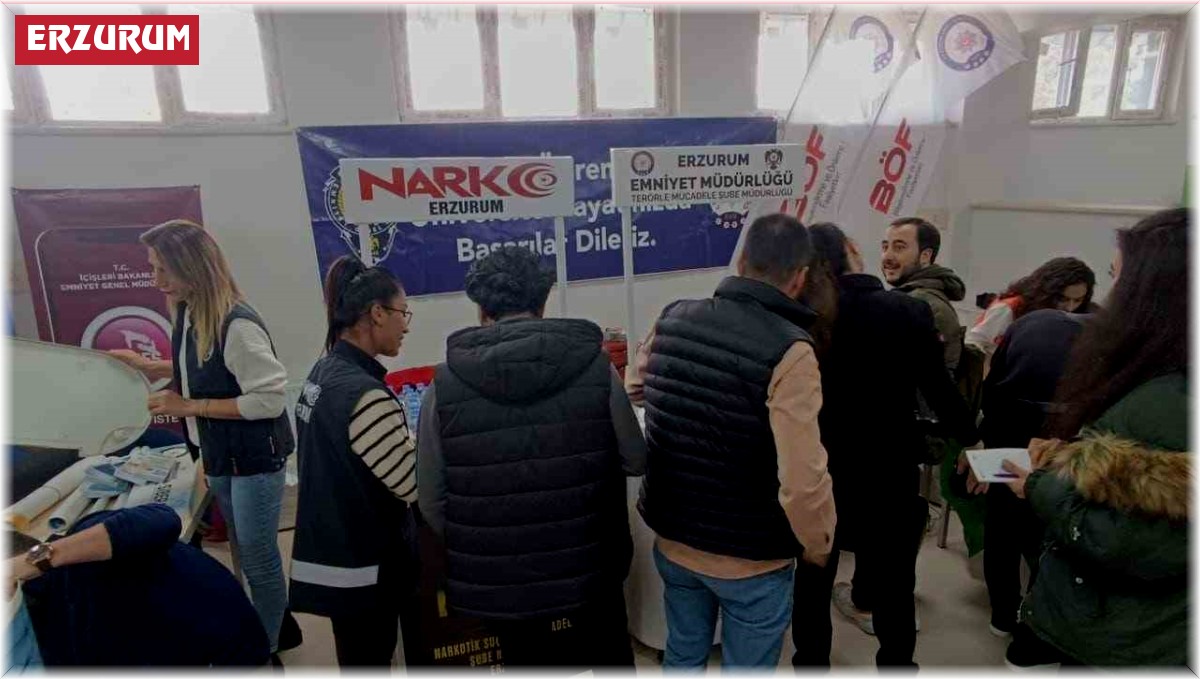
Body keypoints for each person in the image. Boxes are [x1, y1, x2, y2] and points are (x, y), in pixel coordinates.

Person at [417, 246, 646, 670]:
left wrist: (485, 540)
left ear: (482, 310)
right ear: (543, 302)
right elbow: (635, 459)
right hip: (591, 565)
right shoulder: (596, 368)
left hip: (503, 580)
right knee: (609, 657)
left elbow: (431, 497)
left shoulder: (443, 385)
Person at [627, 214, 836, 669]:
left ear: (741, 261)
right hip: (753, 557)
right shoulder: (792, 351)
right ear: (800, 278)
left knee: (683, 652)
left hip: (675, 536)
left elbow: (636, 388)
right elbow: (802, 480)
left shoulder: (673, 316)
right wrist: (818, 543)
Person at [1001, 207, 1189, 668]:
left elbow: (1122, 541)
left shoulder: (1168, 400)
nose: (1110, 295)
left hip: (1129, 639)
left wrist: (1040, 484)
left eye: (1118, 278)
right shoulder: (1159, 379)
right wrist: (1071, 457)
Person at [791, 223, 977, 669]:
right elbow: (939, 389)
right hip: (888, 468)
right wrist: (972, 439)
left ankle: (810, 665)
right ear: (852, 250)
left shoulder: (800, 314)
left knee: (813, 580)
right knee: (894, 583)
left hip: (820, 468)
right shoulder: (907, 311)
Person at [113, 219, 296, 656]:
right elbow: (204, 370)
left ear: (192, 267)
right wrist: (150, 366)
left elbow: (269, 401)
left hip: (254, 461)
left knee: (259, 559)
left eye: (163, 269)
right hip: (220, 455)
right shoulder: (189, 312)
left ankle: (265, 648)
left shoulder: (238, 325)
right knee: (243, 551)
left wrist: (188, 407)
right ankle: (263, 631)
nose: (155, 280)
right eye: (153, 267)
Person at [290, 255, 419, 668]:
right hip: (364, 564)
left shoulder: (324, 371)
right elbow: (412, 483)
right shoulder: (364, 394)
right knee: (369, 657)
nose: (406, 326)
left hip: (336, 551)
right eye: (402, 313)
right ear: (377, 313)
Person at [8, 504, 269, 667]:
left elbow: (163, 520)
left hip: (231, 652)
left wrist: (37, 560)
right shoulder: (52, 625)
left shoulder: (84, 548)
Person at [968, 309, 1087, 641]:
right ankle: (1033, 622)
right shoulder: (1090, 336)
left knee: (1001, 533)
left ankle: (1004, 615)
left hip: (1007, 443)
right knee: (1044, 538)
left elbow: (991, 398)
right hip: (1061, 449)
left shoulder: (1027, 328)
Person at [881, 217, 966, 372]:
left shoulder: (925, 305)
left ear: (925, 256)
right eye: (885, 247)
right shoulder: (911, 298)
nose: (887, 256)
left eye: (899, 248)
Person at [965, 257, 1095, 359]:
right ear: (1047, 292)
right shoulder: (1009, 308)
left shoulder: (1081, 317)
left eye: (1078, 300)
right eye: (1063, 299)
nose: (1070, 307)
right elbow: (974, 343)